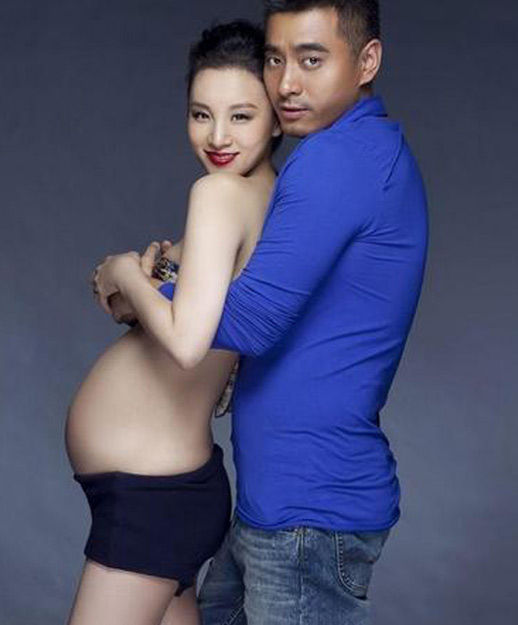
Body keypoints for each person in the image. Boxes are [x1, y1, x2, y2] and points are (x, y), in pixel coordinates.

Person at [96, 1, 429, 623]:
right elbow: (261, 292)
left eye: (312, 59)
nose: (287, 83)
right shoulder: (357, 152)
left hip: (309, 515)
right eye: (275, 59)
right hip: (281, 507)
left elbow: (244, 321)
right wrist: (167, 276)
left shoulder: (338, 160)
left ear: (367, 62)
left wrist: (129, 278)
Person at [65, 20, 281, 625]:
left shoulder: (220, 194)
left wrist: (124, 269)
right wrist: (146, 280)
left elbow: (185, 341)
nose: (217, 136)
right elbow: (142, 310)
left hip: (152, 497)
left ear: (276, 119)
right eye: (200, 114)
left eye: (241, 116)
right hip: (165, 491)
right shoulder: (268, 201)